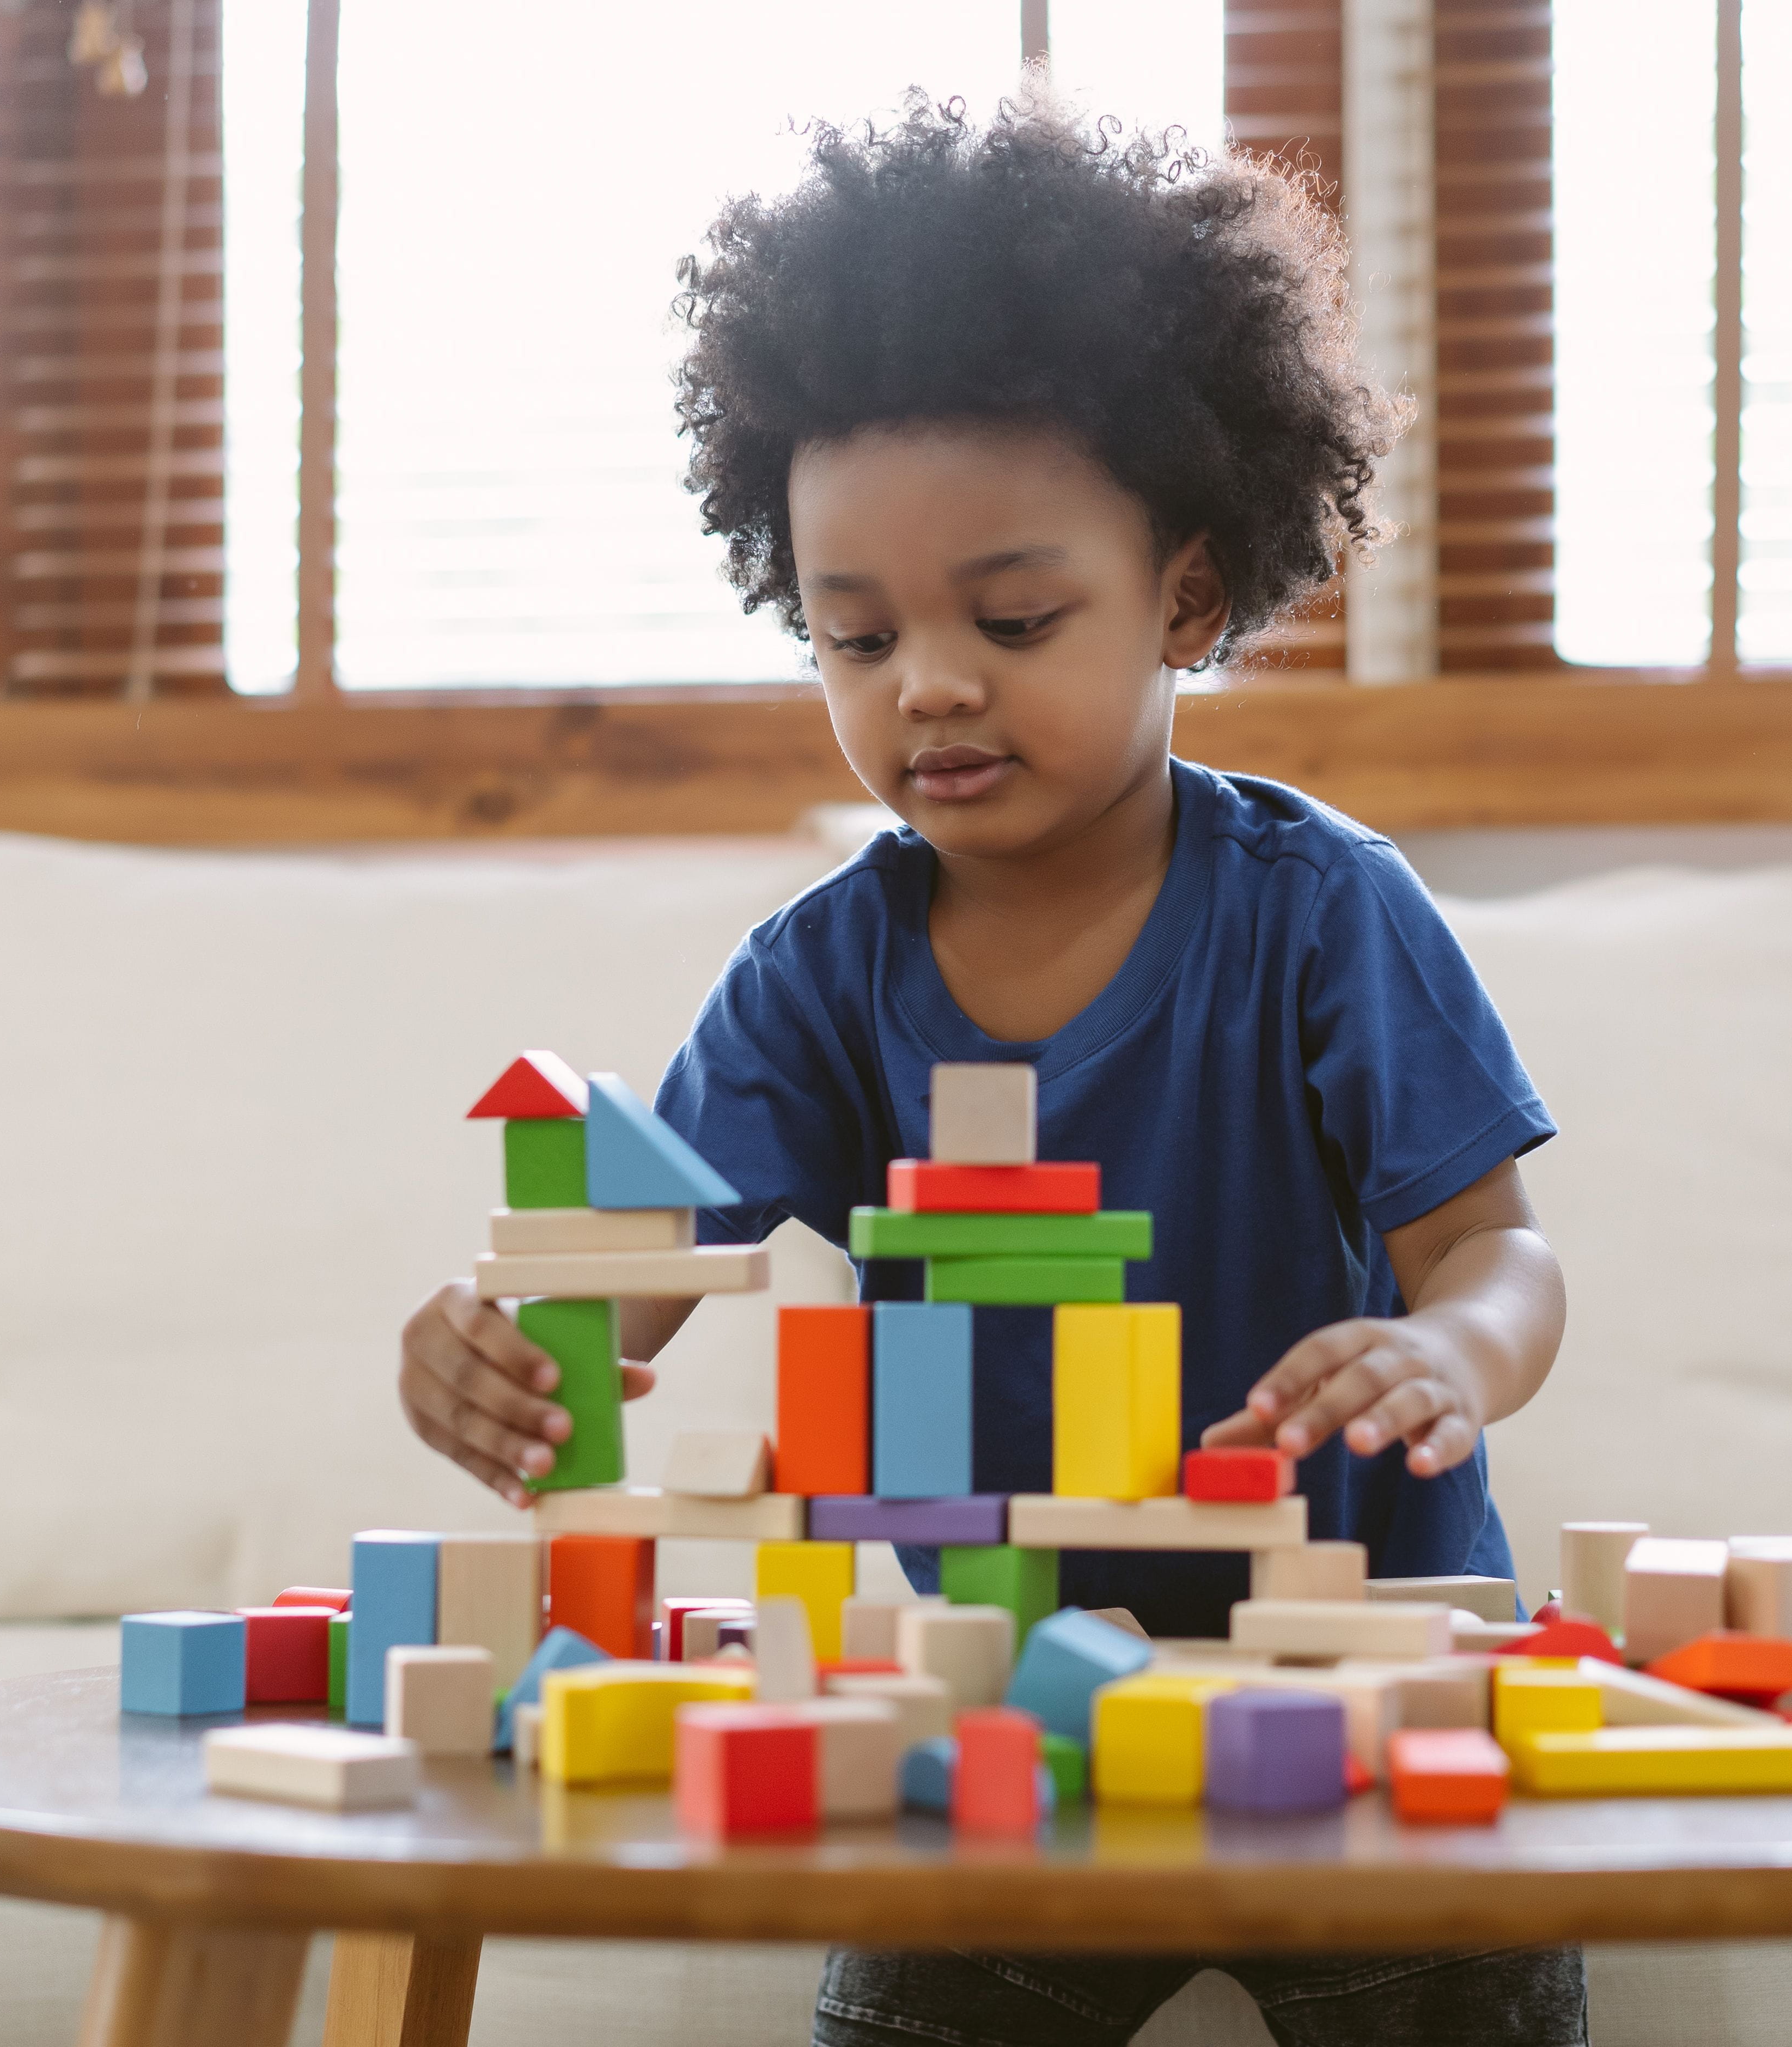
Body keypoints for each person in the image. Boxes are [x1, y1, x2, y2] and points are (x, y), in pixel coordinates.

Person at [399, 89, 1584, 2047]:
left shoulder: (1319, 914)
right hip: (997, 1716)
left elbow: (1501, 1254)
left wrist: (1449, 1355)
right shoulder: (824, 977)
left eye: (1013, 617)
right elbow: (621, 1286)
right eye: (854, 636)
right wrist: (502, 1343)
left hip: (1360, 1684)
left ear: (1186, 598)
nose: (928, 681)